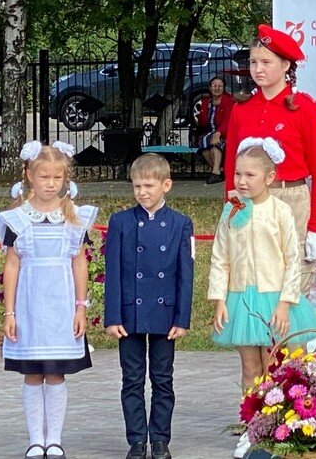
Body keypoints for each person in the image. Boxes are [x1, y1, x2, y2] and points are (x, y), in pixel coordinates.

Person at [209, 137, 316, 459]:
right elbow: (220, 256)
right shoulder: (230, 210)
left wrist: (286, 302)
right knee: (249, 366)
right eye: (237, 174)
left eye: (250, 175)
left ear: (269, 178)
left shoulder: (280, 211)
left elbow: (291, 258)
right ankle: (252, 424)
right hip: (241, 299)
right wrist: (219, 298)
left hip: (275, 299)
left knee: (276, 363)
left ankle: (278, 425)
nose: (242, 181)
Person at [0, 141, 98, 459]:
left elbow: (79, 262)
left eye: (56, 178)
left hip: (62, 305)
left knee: (55, 372)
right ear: (29, 176)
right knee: (32, 372)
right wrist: (9, 312)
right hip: (28, 305)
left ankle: (54, 438)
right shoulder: (18, 219)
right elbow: (12, 265)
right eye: (44, 177)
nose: (50, 184)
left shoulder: (74, 219)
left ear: (65, 179)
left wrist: (81, 307)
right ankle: (34, 439)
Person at [223, 25, 316, 282]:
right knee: (252, 278)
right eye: (253, 62)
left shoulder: (305, 108)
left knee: (293, 281)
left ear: (286, 65)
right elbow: (231, 168)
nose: (258, 69)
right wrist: (234, 210)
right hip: (249, 198)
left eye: (266, 62)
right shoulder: (242, 109)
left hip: (290, 198)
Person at [104, 154, 194, 459]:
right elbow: (113, 273)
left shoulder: (181, 223)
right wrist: (112, 315)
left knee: (162, 378)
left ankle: (159, 438)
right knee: (131, 379)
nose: (142, 191)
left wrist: (182, 317)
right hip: (129, 313)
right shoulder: (120, 222)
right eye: (137, 185)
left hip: (164, 313)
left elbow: (186, 274)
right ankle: (136, 440)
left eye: (149, 185)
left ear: (166, 185)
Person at [195, 76, 235, 185]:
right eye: (214, 86)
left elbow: (228, 120)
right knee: (203, 142)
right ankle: (219, 170)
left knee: (214, 143)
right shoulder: (206, 102)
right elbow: (202, 122)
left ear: (223, 88)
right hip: (209, 132)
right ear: (210, 88)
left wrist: (218, 133)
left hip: (226, 132)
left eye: (220, 86)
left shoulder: (228, 101)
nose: (217, 88)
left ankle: (216, 172)